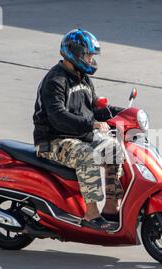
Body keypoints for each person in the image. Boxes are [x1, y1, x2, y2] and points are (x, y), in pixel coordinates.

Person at [32, 29, 124, 231]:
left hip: (78, 136)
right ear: (73, 53)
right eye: (88, 55)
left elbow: (95, 109)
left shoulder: (82, 77)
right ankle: (91, 214)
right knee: (87, 156)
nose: (91, 60)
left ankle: (111, 208)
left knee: (115, 148)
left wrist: (124, 113)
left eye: (92, 56)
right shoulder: (55, 81)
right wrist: (91, 125)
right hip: (53, 140)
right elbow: (58, 117)